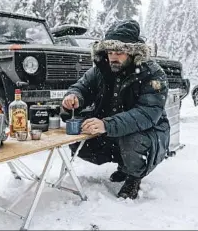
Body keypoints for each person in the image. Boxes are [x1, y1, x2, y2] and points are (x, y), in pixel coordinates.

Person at [61, 20, 170, 200]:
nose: (113, 57)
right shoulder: (101, 69)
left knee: (133, 139)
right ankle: (123, 164)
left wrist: (106, 124)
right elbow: (81, 87)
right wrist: (73, 98)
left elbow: (147, 114)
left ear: (133, 52)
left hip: (149, 133)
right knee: (78, 134)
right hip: (113, 128)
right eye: (110, 52)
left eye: (119, 52)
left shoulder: (153, 74)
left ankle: (134, 177)